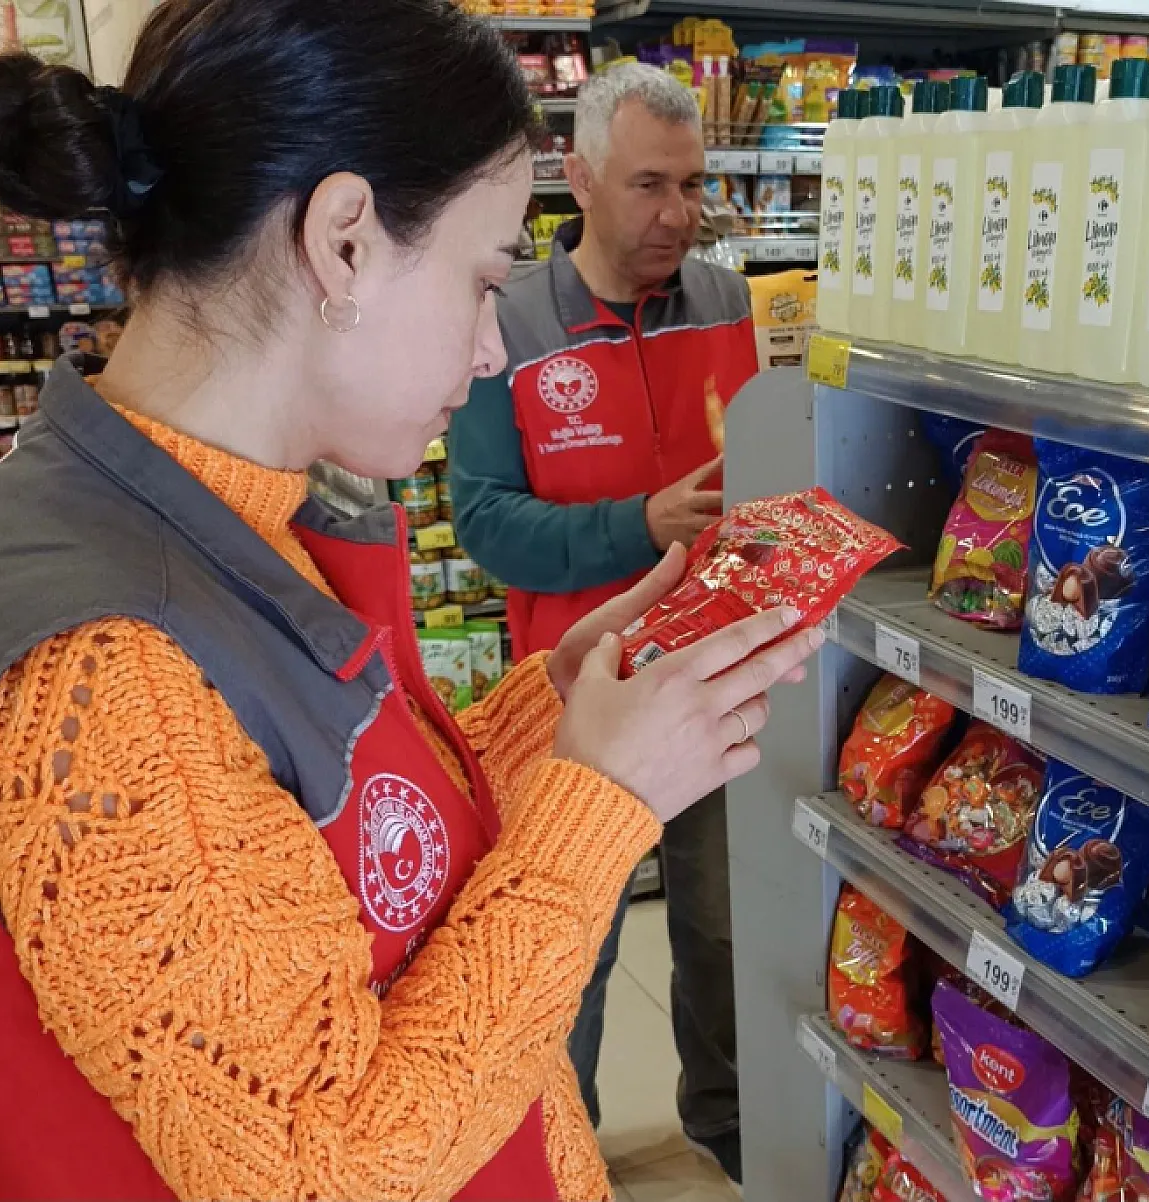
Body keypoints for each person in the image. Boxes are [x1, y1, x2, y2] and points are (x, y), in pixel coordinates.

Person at [0, 5, 818, 1201]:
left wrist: (554, 710)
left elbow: (332, 845)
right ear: (345, 239)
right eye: (481, 281)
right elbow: (327, 1169)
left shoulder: (207, 511)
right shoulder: (109, 670)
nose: (486, 351)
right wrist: (602, 809)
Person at [449, 63, 756, 1185]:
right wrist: (642, 524)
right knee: (572, 948)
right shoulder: (511, 322)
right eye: (645, 186)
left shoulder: (728, 301)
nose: (675, 214)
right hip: (572, 700)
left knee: (721, 935)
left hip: (719, 678)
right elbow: (482, 520)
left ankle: (724, 1134)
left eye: (689, 184)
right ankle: (558, 1156)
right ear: (576, 177)